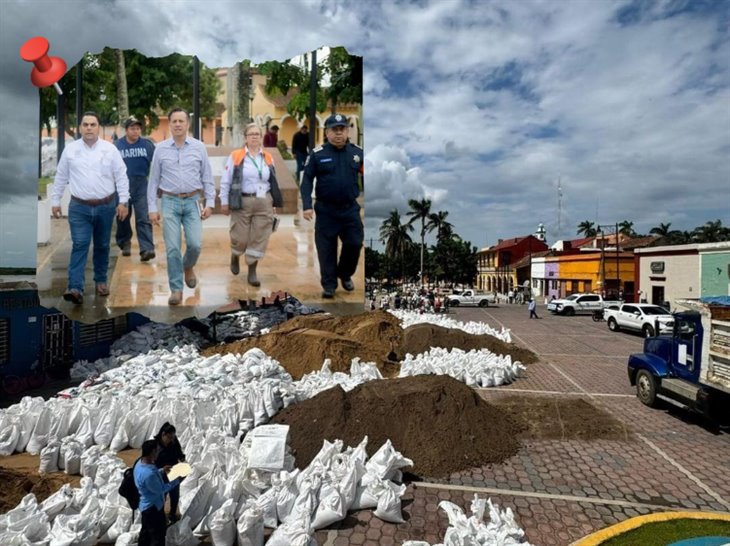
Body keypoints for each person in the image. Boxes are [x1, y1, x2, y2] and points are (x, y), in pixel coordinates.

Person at [51, 112, 129, 305]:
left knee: (102, 245)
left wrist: (123, 201)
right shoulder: (70, 150)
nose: (89, 128)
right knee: (80, 244)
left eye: (92, 124)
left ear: (98, 127)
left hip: (105, 206)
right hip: (79, 207)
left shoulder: (110, 150)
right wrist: (55, 201)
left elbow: (121, 176)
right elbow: (61, 176)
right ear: (80, 128)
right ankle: (75, 287)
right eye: (85, 125)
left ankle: (101, 281)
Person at [147, 108, 215, 306]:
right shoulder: (160, 149)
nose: (178, 124)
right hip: (169, 202)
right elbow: (153, 181)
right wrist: (152, 208)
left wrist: (210, 203)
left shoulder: (198, 147)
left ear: (187, 124)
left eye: (181, 121)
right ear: (170, 124)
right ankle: (176, 289)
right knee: (173, 248)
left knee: (195, 244)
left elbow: (207, 177)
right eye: (174, 121)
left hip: (193, 201)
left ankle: (188, 266)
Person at [300, 114, 364, 298]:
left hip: (349, 209)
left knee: (354, 243)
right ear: (327, 133)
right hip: (326, 210)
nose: (338, 133)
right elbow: (306, 181)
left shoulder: (357, 153)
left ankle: (344, 274)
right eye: (334, 130)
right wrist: (306, 206)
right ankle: (329, 285)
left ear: (347, 131)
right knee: (326, 249)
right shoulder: (318, 154)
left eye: (342, 129)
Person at [219, 123, 283, 286]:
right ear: (245, 138)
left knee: (259, 236)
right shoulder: (236, 155)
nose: (254, 137)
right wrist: (224, 202)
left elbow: (272, 180)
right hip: (242, 201)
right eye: (251, 134)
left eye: (257, 134)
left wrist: (273, 202)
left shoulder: (268, 157)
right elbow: (226, 180)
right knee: (240, 237)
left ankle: (252, 271)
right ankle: (235, 254)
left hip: (264, 201)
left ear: (261, 138)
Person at [115, 116, 156, 261]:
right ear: (126, 130)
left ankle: (146, 249)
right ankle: (124, 242)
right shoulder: (117, 146)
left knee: (143, 217)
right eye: (132, 128)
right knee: (123, 217)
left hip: (141, 185)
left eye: (138, 128)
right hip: (122, 185)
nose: (135, 131)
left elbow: (157, 164)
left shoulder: (147, 145)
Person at [134, 439, 183, 546]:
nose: (158, 453)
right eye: (157, 451)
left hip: (146, 506)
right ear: (152, 452)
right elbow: (161, 489)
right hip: (153, 508)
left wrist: (161, 470)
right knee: (158, 536)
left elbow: (152, 476)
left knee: (146, 533)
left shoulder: (140, 463)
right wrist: (176, 480)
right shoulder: (148, 474)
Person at [154, 422, 185, 523]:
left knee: (175, 495)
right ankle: (161, 516)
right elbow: (151, 464)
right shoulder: (155, 446)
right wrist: (162, 470)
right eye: (169, 437)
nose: (171, 440)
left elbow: (179, 453)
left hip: (174, 472)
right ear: (163, 434)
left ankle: (172, 514)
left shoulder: (174, 441)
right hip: (161, 475)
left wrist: (182, 460)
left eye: (173, 437)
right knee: (162, 496)